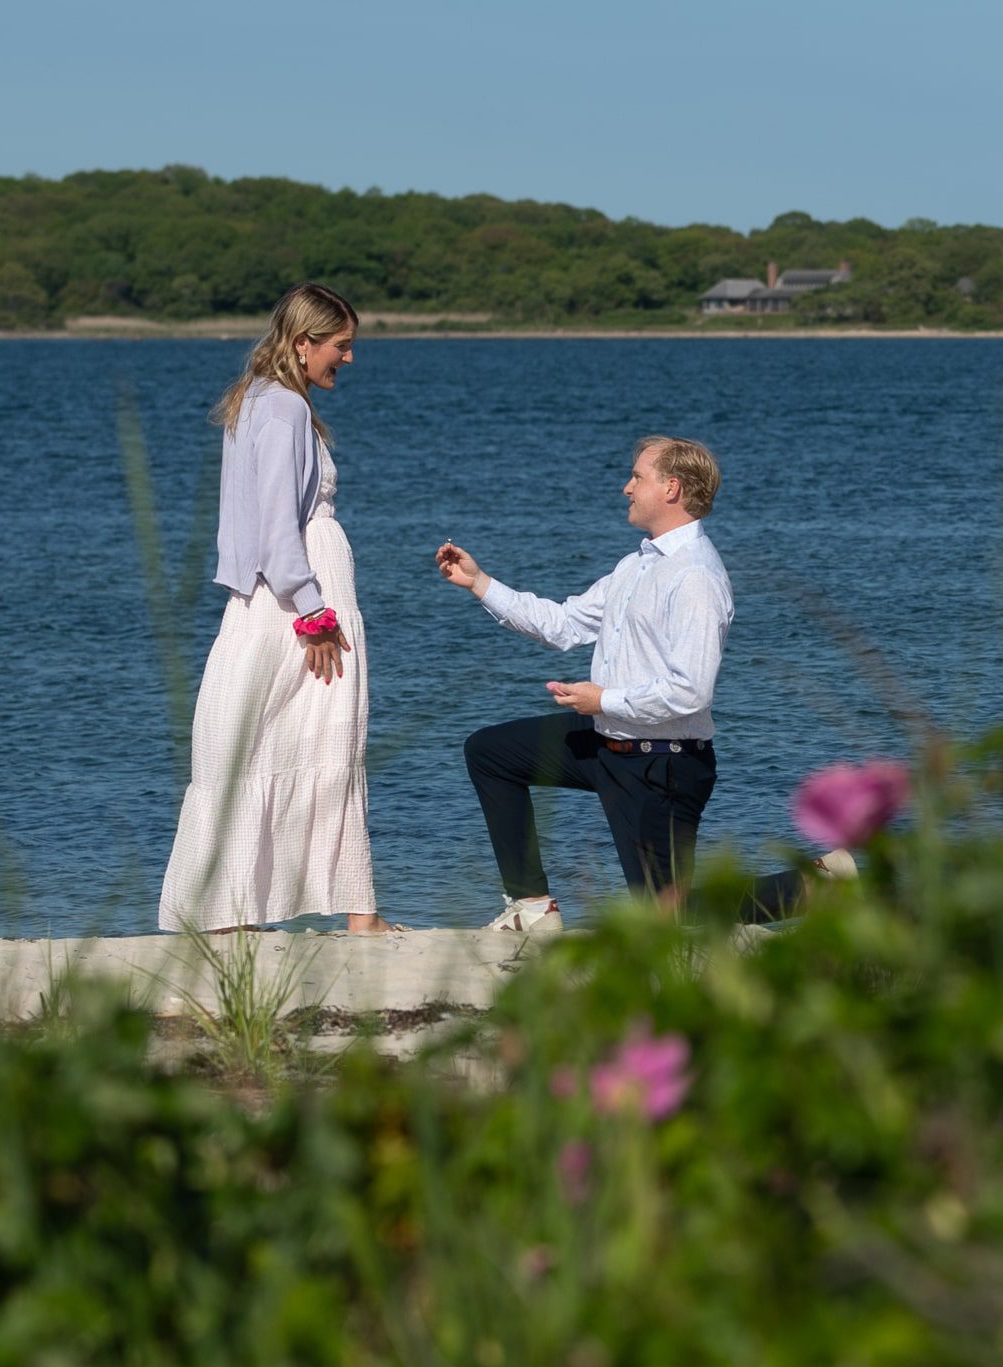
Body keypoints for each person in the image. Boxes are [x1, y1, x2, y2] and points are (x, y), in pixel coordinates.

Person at [437, 435, 810, 931]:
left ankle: (812, 888)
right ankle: (531, 905)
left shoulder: (696, 577)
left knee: (669, 918)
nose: (626, 487)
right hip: (606, 746)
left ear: (672, 488)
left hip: (664, 766)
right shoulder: (636, 565)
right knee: (491, 752)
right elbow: (564, 623)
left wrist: (601, 699)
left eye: (638, 477)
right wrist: (480, 582)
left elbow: (690, 691)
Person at [158, 283, 396, 934]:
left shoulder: (256, 401)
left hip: (264, 599)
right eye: (341, 347)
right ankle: (357, 915)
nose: (348, 360)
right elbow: (276, 528)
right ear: (302, 343)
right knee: (326, 742)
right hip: (298, 594)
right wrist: (314, 615)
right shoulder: (286, 409)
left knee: (254, 743)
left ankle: (231, 909)